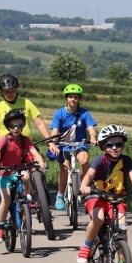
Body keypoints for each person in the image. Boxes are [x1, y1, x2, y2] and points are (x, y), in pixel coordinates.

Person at [77, 124, 132, 263]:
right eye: (110, 145)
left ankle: (122, 260)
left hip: (117, 199)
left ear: (123, 146)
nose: (114, 148)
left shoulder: (127, 161)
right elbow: (89, 174)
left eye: (118, 144)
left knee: (122, 226)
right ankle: (86, 245)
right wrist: (84, 187)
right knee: (98, 219)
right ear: (103, 147)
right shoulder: (100, 160)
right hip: (97, 197)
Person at [0, 109, 47, 244]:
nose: (16, 129)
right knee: (6, 200)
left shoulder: (25, 140)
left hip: (18, 171)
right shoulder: (4, 140)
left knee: (26, 175)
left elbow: (34, 152)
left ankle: (26, 199)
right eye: (13, 126)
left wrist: (41, 161)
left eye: (19, 126)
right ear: (8, 127)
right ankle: (0, 226)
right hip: (3, 173)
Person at [47, 83, 98, 211]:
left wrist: (93, 138)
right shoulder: (60, 113)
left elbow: (91, 128)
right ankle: (60, 195)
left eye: (76, 97)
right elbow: (54, 131)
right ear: (66, 98)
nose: (73, 99)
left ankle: (84, 186)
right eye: (70, 97)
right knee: (64, 168)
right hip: (64, 146)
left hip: (80, 144)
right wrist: (53, 143)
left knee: (85, 160)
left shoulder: (84, 113)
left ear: (79, 99)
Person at [0, 73, 51, 144]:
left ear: (16, 90)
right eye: (6, 91)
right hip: (7, 147)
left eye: (12, 90)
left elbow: (39, 124)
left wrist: (50, 141)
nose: (10, 94)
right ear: (1, 92)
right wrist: (0, 147)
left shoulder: (27, 103)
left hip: (26, 146)